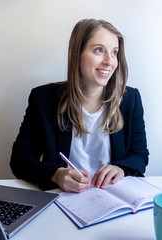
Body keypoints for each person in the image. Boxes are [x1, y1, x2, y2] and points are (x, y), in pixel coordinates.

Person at [10, 19, 149, 193]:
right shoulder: (43, 98)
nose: (109, 61)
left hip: (112, 199)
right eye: (99, 50)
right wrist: (56, 174)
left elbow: (140, 155)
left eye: (114, 52)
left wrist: (121, 168)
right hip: (63, 200)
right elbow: (19, 160)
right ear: (75, 53)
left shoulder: (130, 99)